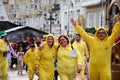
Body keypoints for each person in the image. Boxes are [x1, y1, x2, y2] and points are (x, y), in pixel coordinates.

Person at [70, 13, 120, 80]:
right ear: (97, 34)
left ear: (105, 34)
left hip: (105, 69)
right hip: (93, 69)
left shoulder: (109, 41)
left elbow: (115, 32)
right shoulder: (92, 40)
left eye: (103, 33)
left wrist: (119, 22)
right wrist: (76, 26)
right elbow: (84, 34)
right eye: (99, 33)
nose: (101, 34)